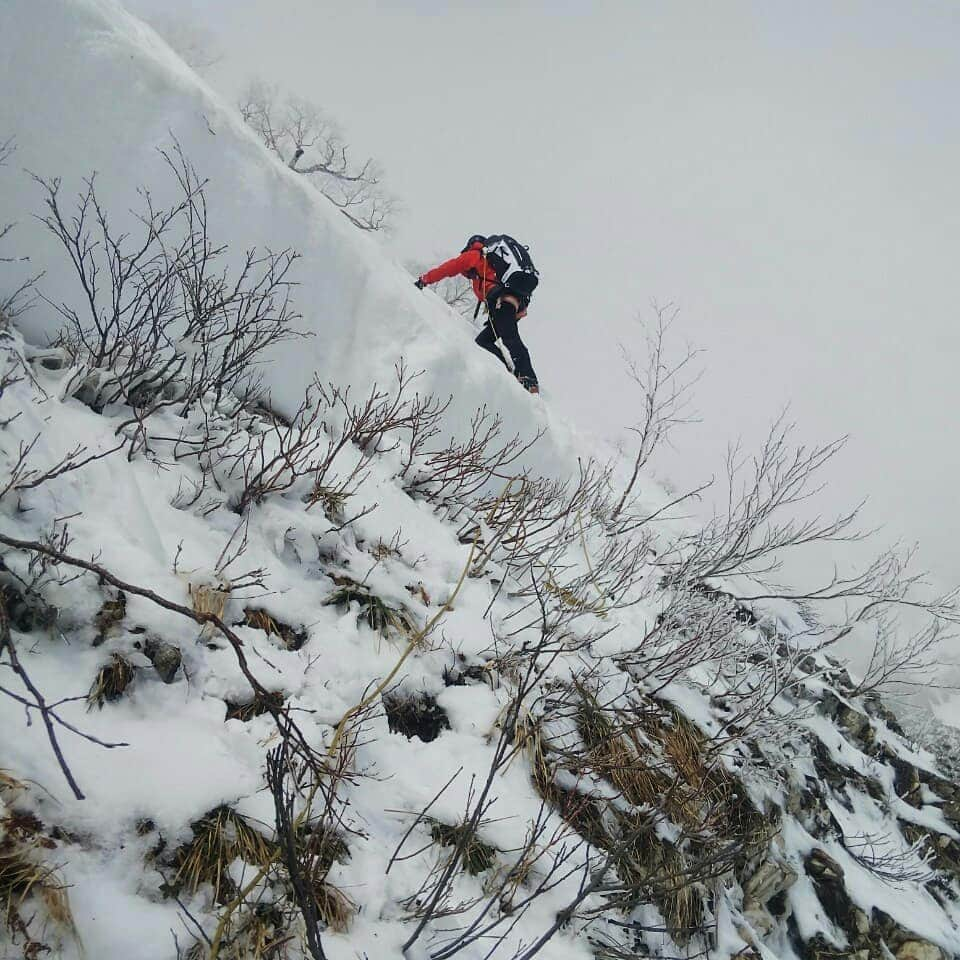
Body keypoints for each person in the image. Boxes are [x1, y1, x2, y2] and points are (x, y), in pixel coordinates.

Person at [415, 235, 540, 394]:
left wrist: (425, 279)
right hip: (509, 301)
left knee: (510, 337)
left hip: (504, 300)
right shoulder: (488, 265)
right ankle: (509, 373)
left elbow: (449, 267)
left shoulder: (475, 255)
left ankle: (529, 378)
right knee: (484, 341)